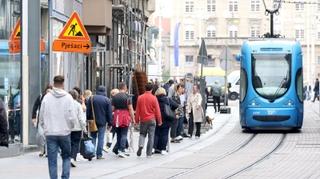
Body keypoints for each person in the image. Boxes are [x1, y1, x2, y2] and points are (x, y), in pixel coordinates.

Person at [39, 75, 77, 179]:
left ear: (54, 83)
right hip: (64, 132)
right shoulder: (68, 97)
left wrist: (45, 126)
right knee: (66, 157)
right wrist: (70, 127)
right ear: (63, 83)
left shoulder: (47, 97)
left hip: (50, 133)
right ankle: (65, 177)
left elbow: (41, 115)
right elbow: (72, 116)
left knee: (52, 160)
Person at [135, 82, 162, 157]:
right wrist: (159, 120)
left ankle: (141, 145)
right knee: (151, 136)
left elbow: (137, 110)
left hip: (143, 120)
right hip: (152, 120)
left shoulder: (140, 97)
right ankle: (149, 153)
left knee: (142, 134)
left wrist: (136, 120)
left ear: (145, 88)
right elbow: (157, 110)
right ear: (152, 89)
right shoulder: (154, 98)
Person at [86, 85, 112, 159]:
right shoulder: (107, 100)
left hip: (92, 121)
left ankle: (92, 153)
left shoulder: (91, 98)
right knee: (101, 138)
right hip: (102, 122)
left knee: (93, 137)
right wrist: (110, 123)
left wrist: (88, 119)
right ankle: (99, 154)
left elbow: (88, 111)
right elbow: (109, 113)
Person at [112, 83, 135, 158]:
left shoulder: (114, 97)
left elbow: (112, 108)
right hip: (125, 116)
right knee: (124, 134)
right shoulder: (127, 97)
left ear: (119, 88)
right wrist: (133, 119)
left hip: (117, 116)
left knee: (118, 134)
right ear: (125, 88)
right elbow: (130, 109)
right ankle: (122, 150)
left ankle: (119, 149)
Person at [154, 87, 179, 154]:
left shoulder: (155, 99)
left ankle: (154, 148)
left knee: (156, 133)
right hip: (166, 119)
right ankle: (163, 149)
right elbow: (176, 105)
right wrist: (172, 109)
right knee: (164, 134)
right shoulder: (167, 99)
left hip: (157, 118)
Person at [32, 84, 53, 157]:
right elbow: (35, 106)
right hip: (41, 119)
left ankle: (47, 151)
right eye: (48, 91)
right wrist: (33, 117)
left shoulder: (54, 98)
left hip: (50, 119)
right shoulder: (41, 97)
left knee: (48, 135)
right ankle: (42, 149)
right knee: (40, 134)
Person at [69, 90, 87, 167]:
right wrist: (84, 129)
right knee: (75, 143)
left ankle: (68, 157)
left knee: (68, 143)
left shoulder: (65, 105)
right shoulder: (78, 105)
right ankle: (72, 158)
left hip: (67, 128)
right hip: (77, 128)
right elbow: (81, 118)